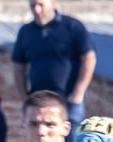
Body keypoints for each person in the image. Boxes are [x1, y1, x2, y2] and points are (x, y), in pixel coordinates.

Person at [11, 0, 96, 129]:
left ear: (53, 3)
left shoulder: (72, 27)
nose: (37, 10)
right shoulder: (26, 32)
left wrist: (78, 93)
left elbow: (89, 59)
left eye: (41, 5)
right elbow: (18, 66)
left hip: (69, 101)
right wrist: (24, 97)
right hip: (39, 101)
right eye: (33, 5)